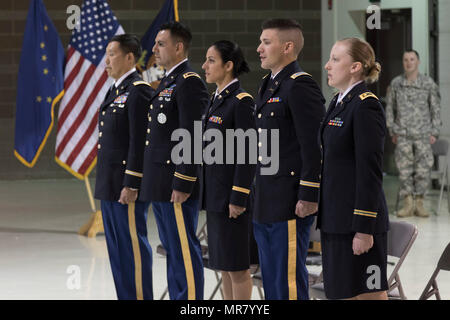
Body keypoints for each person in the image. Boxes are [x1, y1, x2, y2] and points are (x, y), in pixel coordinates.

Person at [253, 19, 326, 300]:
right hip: (266, 197)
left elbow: (314, 146)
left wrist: (309, 194)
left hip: (289, 200)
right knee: (270, 277)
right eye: (260, 41)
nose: (259, 48)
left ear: (288, 47)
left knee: (287, 280)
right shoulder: (268, 85)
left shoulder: (300, 86)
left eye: (266, 42)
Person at [139, 22, 209, 300]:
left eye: (161, 44)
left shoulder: (189, 81)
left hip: (176, 184)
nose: (154, 49)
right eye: (155, 43)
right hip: (160, 182)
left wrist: (184, 180)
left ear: (179, 47)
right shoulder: (169, 80)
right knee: (171, 250)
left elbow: (192, 135)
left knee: (183, 249)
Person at [318, 37, 390, 300]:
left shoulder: (365, 105)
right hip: (336, 220)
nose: (327, 65)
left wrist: (363, 228)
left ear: (355, 67)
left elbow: (369, 172)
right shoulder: (339, 102)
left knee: (368, 293)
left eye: (336, 59)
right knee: (340, 292)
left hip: (357, 223)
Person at [94, 34, 154, 300]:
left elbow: (140, 140)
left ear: (130, 57)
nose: (107, 60)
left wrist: (132, 182)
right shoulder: (115, 90)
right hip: (109, 184)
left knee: (132, 251)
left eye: (112, 54)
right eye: (106, 54)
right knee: (117, 252)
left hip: (125, 186)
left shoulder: (138, 90)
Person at [200, 40, 256, 300]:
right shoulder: (216, 99)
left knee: (238, 268)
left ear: (229, 65)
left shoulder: (241, 102)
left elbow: (247, 154)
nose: (205, 66)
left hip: (232, 200)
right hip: (215, 196)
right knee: (222, 266)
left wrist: (239, 196)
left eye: (211, 60)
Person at [386, 50, 441, 218]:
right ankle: (408, 203)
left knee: (423, 170)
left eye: (412, 59)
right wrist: (392, 130)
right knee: (404, 171)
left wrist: (435, 131)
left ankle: (419, 203)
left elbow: (435, 109)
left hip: (424, 134)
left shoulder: (428, 83)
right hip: (402, 134)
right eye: (405, 60)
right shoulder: (396, 84)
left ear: (418, 62)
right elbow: (390, 108)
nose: (408, 63)